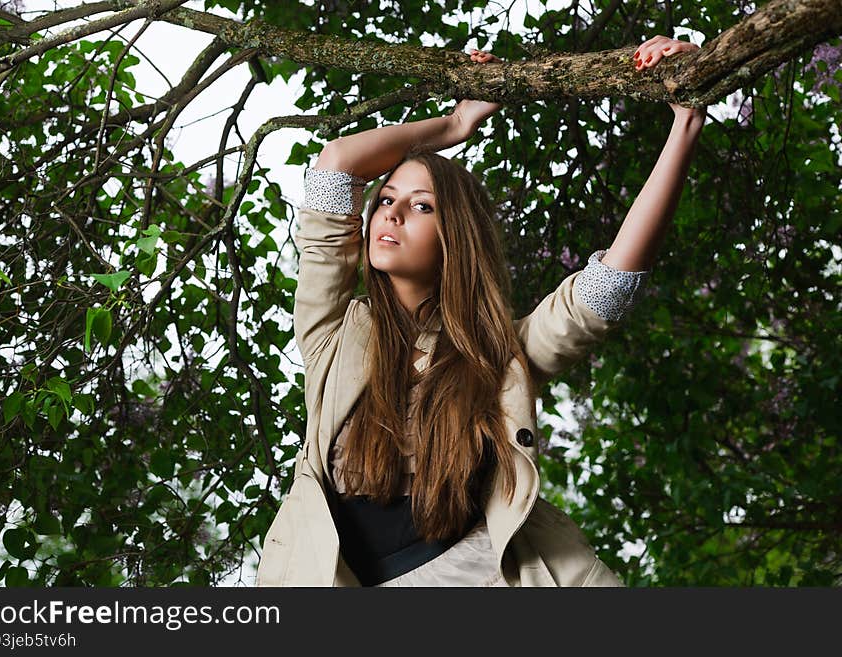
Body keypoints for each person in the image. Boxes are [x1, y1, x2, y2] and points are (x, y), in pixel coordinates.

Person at [255, 35, 706, 587]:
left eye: (421, 206)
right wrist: (453, 125)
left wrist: (685, 121)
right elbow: (338, 164)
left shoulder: (500, 355)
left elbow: (609, 285)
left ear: (456, 239)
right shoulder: (333, 333)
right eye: (387, 199)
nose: (391, 213)